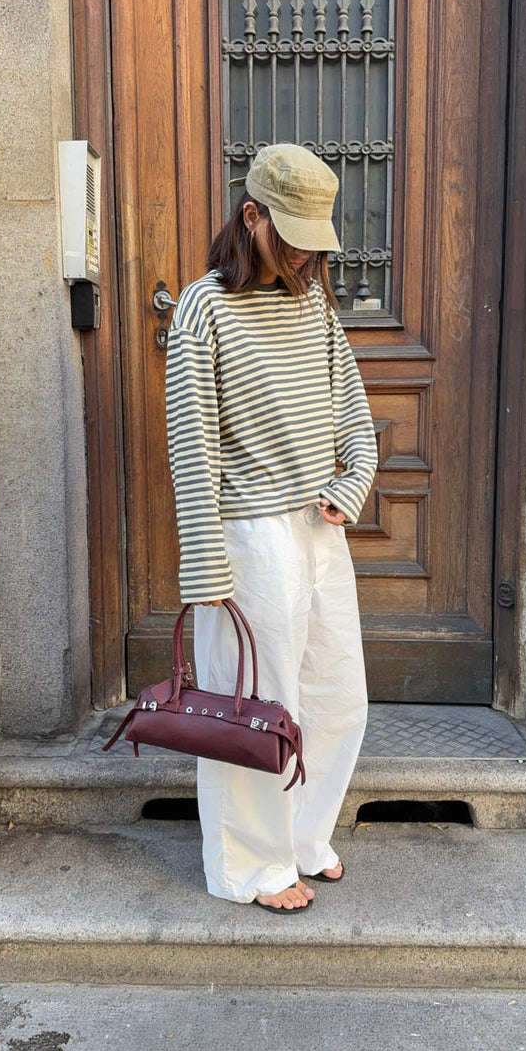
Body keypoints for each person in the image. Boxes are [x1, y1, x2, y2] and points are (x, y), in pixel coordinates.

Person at [164, 142, 378, 914]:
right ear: (250, 215)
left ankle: (303, 836)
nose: (302, 256)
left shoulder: (312, 305)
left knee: (336, 695)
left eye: (311, 242)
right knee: (256, 705)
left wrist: (353, 481)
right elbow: (192, 447)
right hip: (249, 534)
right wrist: (206, 569)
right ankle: (251, 865)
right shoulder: (202, 308)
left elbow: (354, 412)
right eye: (289, 236)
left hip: (319, 531)